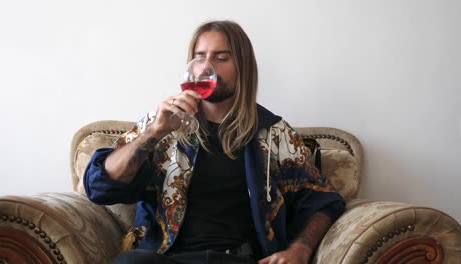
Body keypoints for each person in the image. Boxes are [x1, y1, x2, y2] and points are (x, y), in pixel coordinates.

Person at [84, 20, 345, 264]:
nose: (207, 67)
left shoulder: (273, 133)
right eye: (200, 57)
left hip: (240, 258)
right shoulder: (161, 122)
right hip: (169, 258)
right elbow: (100, 187)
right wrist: (154, 132)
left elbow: (324, 201)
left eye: (221, 58)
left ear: (243, 67)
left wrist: (300, 249)